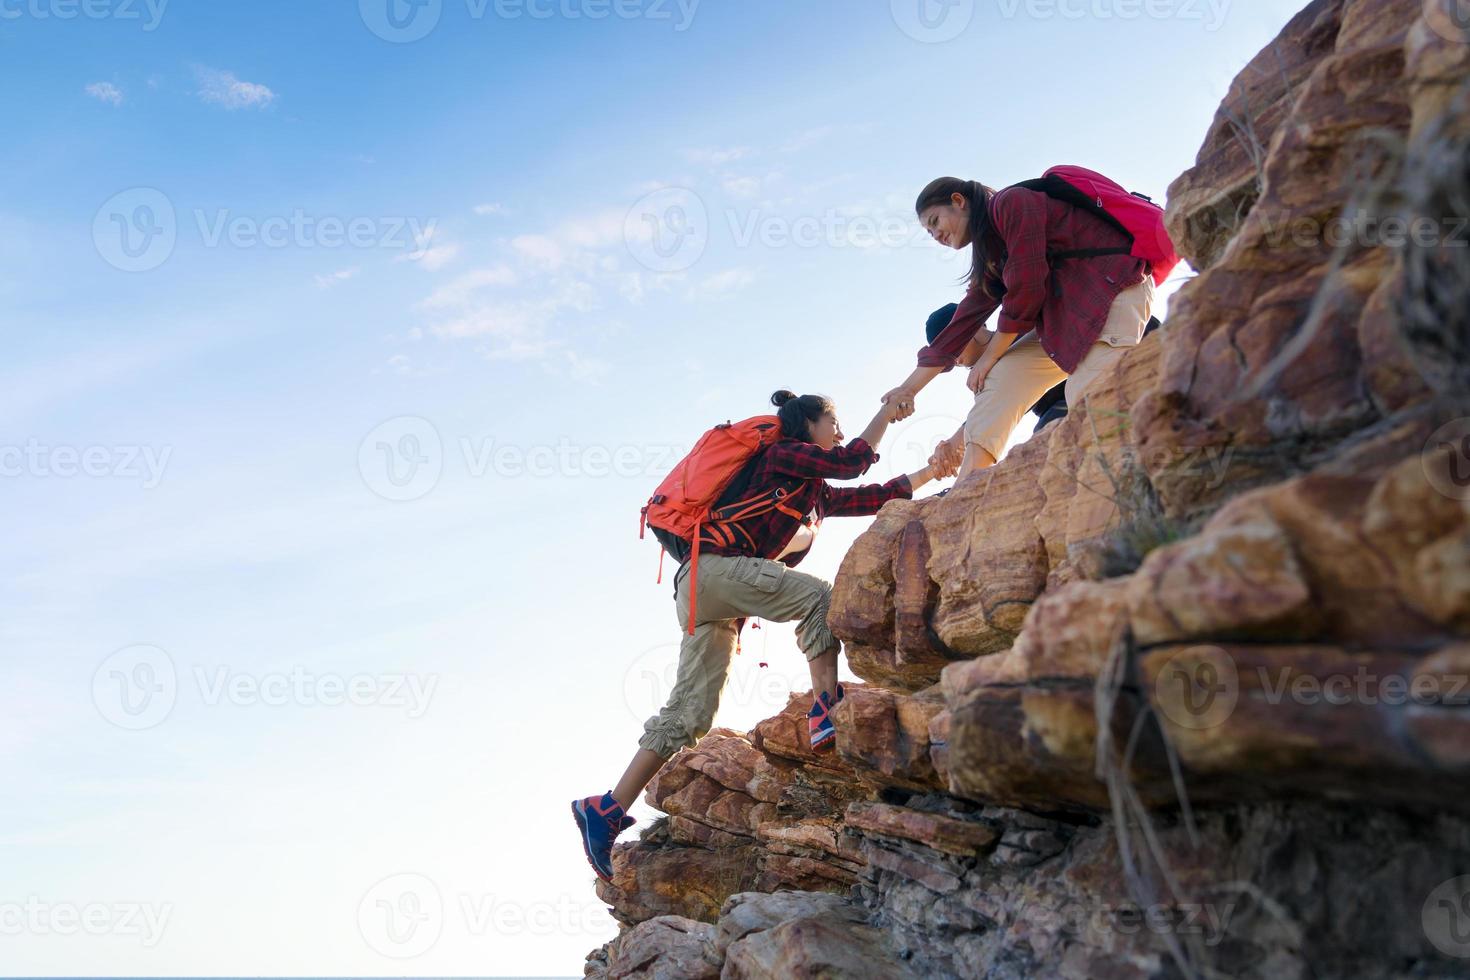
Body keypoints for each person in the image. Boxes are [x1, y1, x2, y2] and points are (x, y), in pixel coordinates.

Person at [571, 390, 951, 883]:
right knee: (818, 598)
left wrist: (932, 475)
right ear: (808, 424)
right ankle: (825, 708)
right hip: (714, 573)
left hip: (702, 592)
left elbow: (873, 494)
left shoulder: (811, 492)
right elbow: (853, 461)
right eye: (832, 424)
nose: (837, 433)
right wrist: (888, 411)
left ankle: (605, 809)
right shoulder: (781, 455)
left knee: (690, 714)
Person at [884, 177, 1157, 482]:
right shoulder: (990, 254)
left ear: (959, 201)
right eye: (928, 231)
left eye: (935, 221)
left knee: (1090, 401)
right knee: (1000, 378)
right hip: (1062, 318)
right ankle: (968, 491)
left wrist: (988, 358)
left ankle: (1126, 492)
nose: (935, 234)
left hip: (1109, 291)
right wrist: (908, 389)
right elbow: (959, 325)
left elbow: (1026, 290)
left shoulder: (1012, 203)